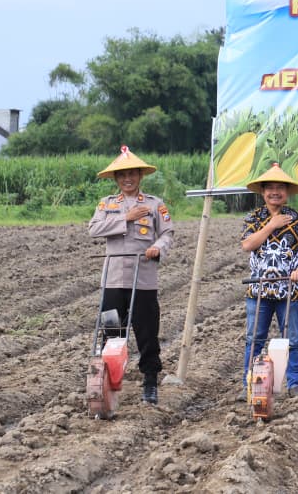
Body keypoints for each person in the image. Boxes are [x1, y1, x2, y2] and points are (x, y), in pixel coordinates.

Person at [88, 146, 174, 405]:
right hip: (113, 279)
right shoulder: (107, 204)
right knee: (111, 331)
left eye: (133, 174)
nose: (128, 179)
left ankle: (150, 382)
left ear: (140, 176)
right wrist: (126, 218)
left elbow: (167, 233)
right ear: (116, 178)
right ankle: (110, 381)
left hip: (143, 280)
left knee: (147, 333)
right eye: (123, 174)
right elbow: (93, 229)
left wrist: (157, 248)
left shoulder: (154, 204)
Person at [240, 162, 298, 397]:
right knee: (254, 339)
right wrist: (271, 225)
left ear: (286, 192)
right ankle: (249, 385)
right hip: (259, 290)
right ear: (263, 192)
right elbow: (247, 244)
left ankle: (294, 384)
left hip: (289, 290)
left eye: (280, 188)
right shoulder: (254, 218)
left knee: (292, 339)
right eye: (270, 188)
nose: (275, 192)